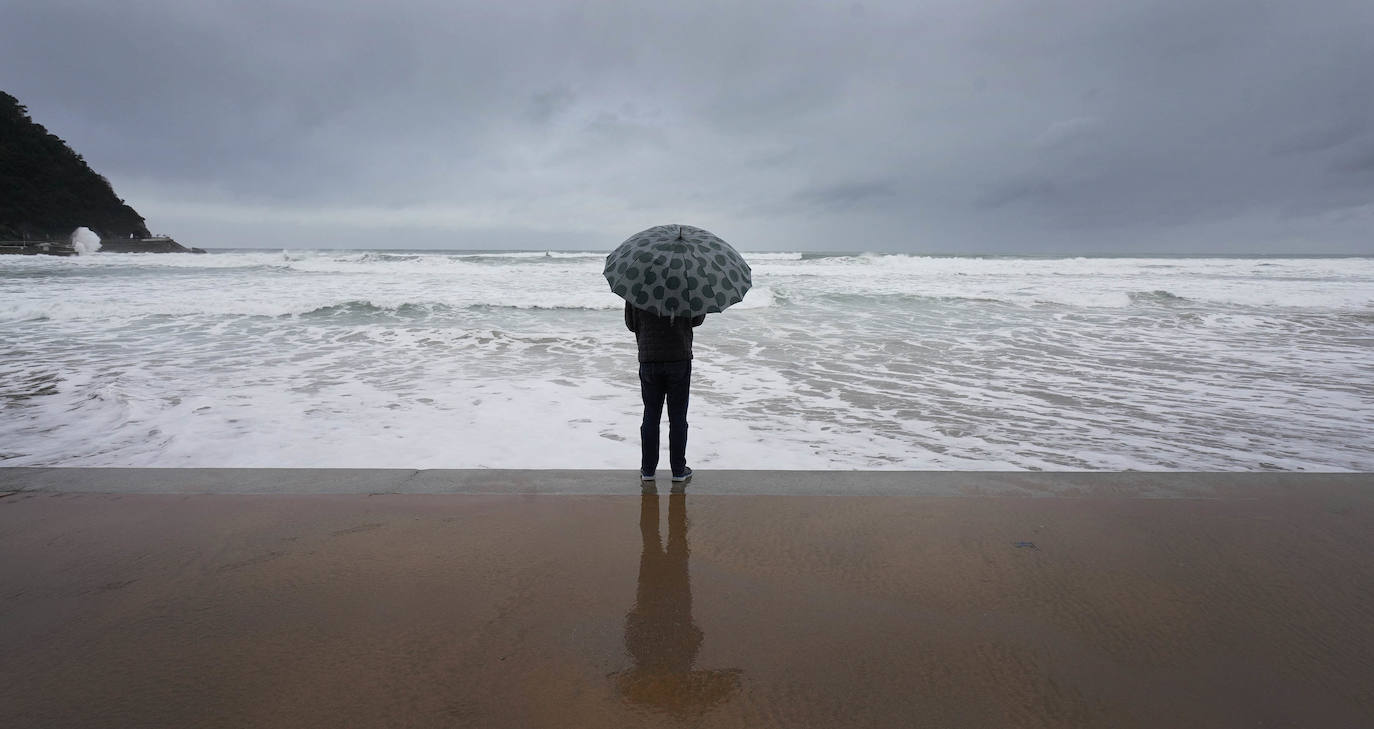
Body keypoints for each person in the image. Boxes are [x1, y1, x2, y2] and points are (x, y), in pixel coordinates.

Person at [625, 302, 704, 485]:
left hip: (649, 358)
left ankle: (648, 469)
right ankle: (678, 470)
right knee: (678, 417)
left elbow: (631, 324)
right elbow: (697, 320)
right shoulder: (687, 284)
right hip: (679, 357)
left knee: (651, 414)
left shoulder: (637, 285)